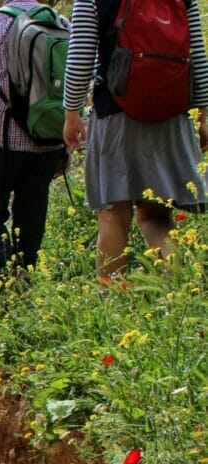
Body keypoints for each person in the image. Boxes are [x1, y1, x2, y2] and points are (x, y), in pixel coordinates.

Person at [62, 0, 208, 276]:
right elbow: (197, 58)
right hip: (171, 118)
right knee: (156, 215)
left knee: (113, 215)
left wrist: (72, 112)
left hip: (116, 115)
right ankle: (177, 295)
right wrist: (203, 116)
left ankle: (112, 306)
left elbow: (79, 58)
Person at [0, 0, 70, 280]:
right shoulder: (62, 24)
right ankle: (19, 294)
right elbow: (74, 88)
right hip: (47, 144)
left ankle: (6, 275)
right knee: (31, 223)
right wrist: (64, 143)